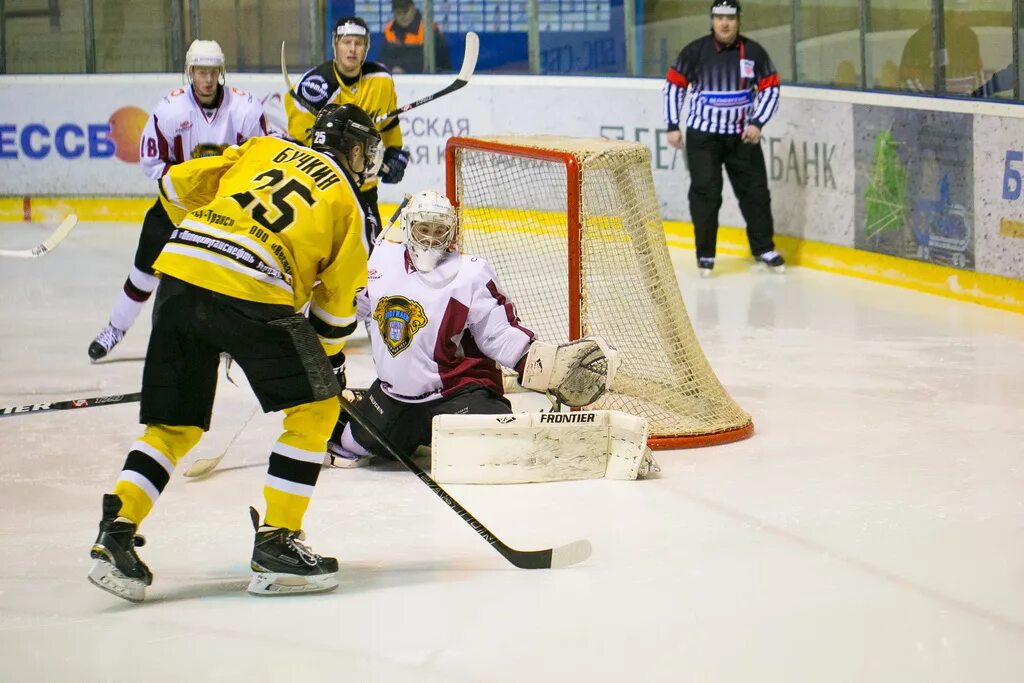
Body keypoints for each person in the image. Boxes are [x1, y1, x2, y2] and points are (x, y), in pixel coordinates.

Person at [86, 104, 383, 602]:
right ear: (354, 151)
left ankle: (116, 530)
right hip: (253, 289)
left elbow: (175, 186)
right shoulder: (349, 204)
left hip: (181, 275)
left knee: (173, 426)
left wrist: (215, 247)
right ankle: (277, 542)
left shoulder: (264, 147)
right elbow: (334, 313)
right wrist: (326, 366)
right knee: (316, 409)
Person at [325, 190, 616, 468]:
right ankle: (370, 412)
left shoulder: (469, 273)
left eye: (439, 230)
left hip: (456, 393)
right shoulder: (379, 261)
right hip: (395, 397)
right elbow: (351, 308)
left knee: (499, 444)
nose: (430, 238)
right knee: (351, 444)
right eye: (423, 229)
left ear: (451, 232)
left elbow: (498, 332)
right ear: (407, 227)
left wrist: (539, 364)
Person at [87, 39, 269, 360]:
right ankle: (116, 327)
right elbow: (152, 165)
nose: (207, 79)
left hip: (226, 212)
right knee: (144, 270)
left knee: (234, 275)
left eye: (213, 72)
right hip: (177, 209)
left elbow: (263, 161)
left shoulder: (245, 109)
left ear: (221, 72)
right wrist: (193, 182)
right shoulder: (170, 111)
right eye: (201, 72)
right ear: (190, 72)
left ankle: (233, 336)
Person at [662, 0, 784, 277]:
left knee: (755, 193)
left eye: (730, 18)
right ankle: (705, 254)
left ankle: (764, 248)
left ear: (738, 20)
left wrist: (757, 122)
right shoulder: (695, 52)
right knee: (706, 193)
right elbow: (674, 86)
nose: (724, 23)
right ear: (712, 20)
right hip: (703, 138)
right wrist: (672, 124)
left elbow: (771, 88)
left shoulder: (753, 52)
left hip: (743, 137)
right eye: (719, 18)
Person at [285, 16, 408, 246]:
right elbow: (302, 151)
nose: (352, 49)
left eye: (358, 43)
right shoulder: (314, 87)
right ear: (335, 44)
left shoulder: (381, 80)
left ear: (366, 47)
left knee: (372, 259)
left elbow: (389, 126)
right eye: (346, 42)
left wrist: (394, 153)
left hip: (365, 192)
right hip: (323, 194)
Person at [899, 0, 985, 96]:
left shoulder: (970, 36)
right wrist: (931, 103)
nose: (964, 13)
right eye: (958, 8)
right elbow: (909, 81)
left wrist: (979, 99)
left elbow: (978, 73)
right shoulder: (922, 38)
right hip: (935, 103)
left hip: (967, 102)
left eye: (966, 7)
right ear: (945, 10)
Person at [378, 0, 452, 74]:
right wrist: (392, 68)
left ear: (413, 8)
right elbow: (382, 60)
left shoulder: (428, 30)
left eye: (406, 11)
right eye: (398, 13)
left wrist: (403, 69)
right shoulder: (390, 30)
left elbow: (433, 62)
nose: (402, 16)